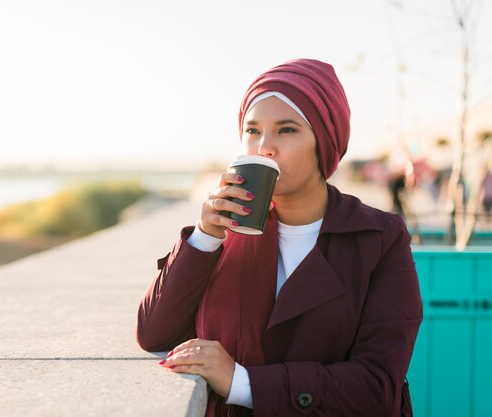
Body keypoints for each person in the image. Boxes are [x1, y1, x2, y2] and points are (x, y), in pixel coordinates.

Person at [136, 59, 423, 417]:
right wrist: (204, 237)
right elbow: (153, 334)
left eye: (286, 130)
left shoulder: (380, 238)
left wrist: (244, 383)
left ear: (325, 141)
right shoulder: (225, 233)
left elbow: (377, 384)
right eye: (252, 130)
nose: (264, 147)